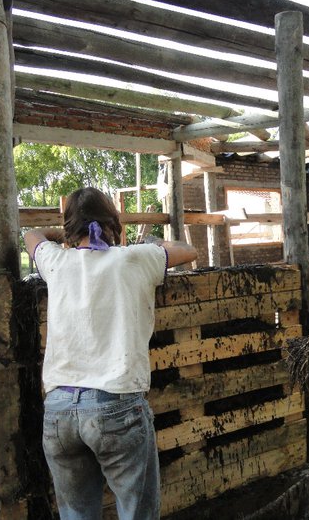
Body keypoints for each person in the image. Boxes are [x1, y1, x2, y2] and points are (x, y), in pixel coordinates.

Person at [23, 187, 197, 520]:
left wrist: (67, 233)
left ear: (72, 228)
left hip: (59, 409)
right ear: (113, 222)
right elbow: (188, 250)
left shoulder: (55, 260)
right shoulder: (135, 258)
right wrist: (154, 244)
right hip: (116, 403)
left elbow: (31, 235)